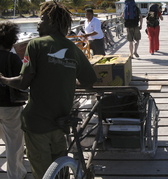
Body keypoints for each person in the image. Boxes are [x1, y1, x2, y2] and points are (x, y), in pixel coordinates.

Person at [0, 2, 97, 179]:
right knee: (60, 172)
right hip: (61, 123)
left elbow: (23, 82)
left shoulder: (35, 45)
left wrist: (3, 79)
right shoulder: (74, 49)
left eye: (42, 18)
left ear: (52, 21)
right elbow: (89, 81)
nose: (38, 23)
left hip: (37, 124)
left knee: (42, 173)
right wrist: (64, 79)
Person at [0, 21, 27, 179]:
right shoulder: (13, 59)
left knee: (6, 136)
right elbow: (23, 81)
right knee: (14, 142)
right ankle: (16, 175)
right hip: (10, 106)